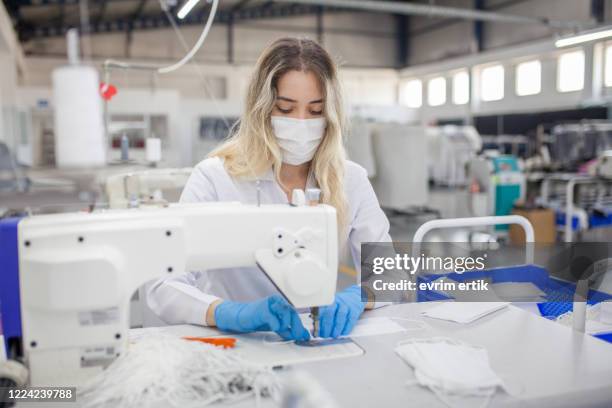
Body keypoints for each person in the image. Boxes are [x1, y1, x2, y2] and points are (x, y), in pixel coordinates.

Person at [147, 37, 391, 341]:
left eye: (315, 111)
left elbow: (390, 272)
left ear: (331, 115)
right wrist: (227, 313)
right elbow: (161, 284)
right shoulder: (215, 179)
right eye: (286, 109)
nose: (301, 123)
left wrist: (362, 294)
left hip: (316, 337)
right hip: (235, 340)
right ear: (260, 110)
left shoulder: (350, 179)